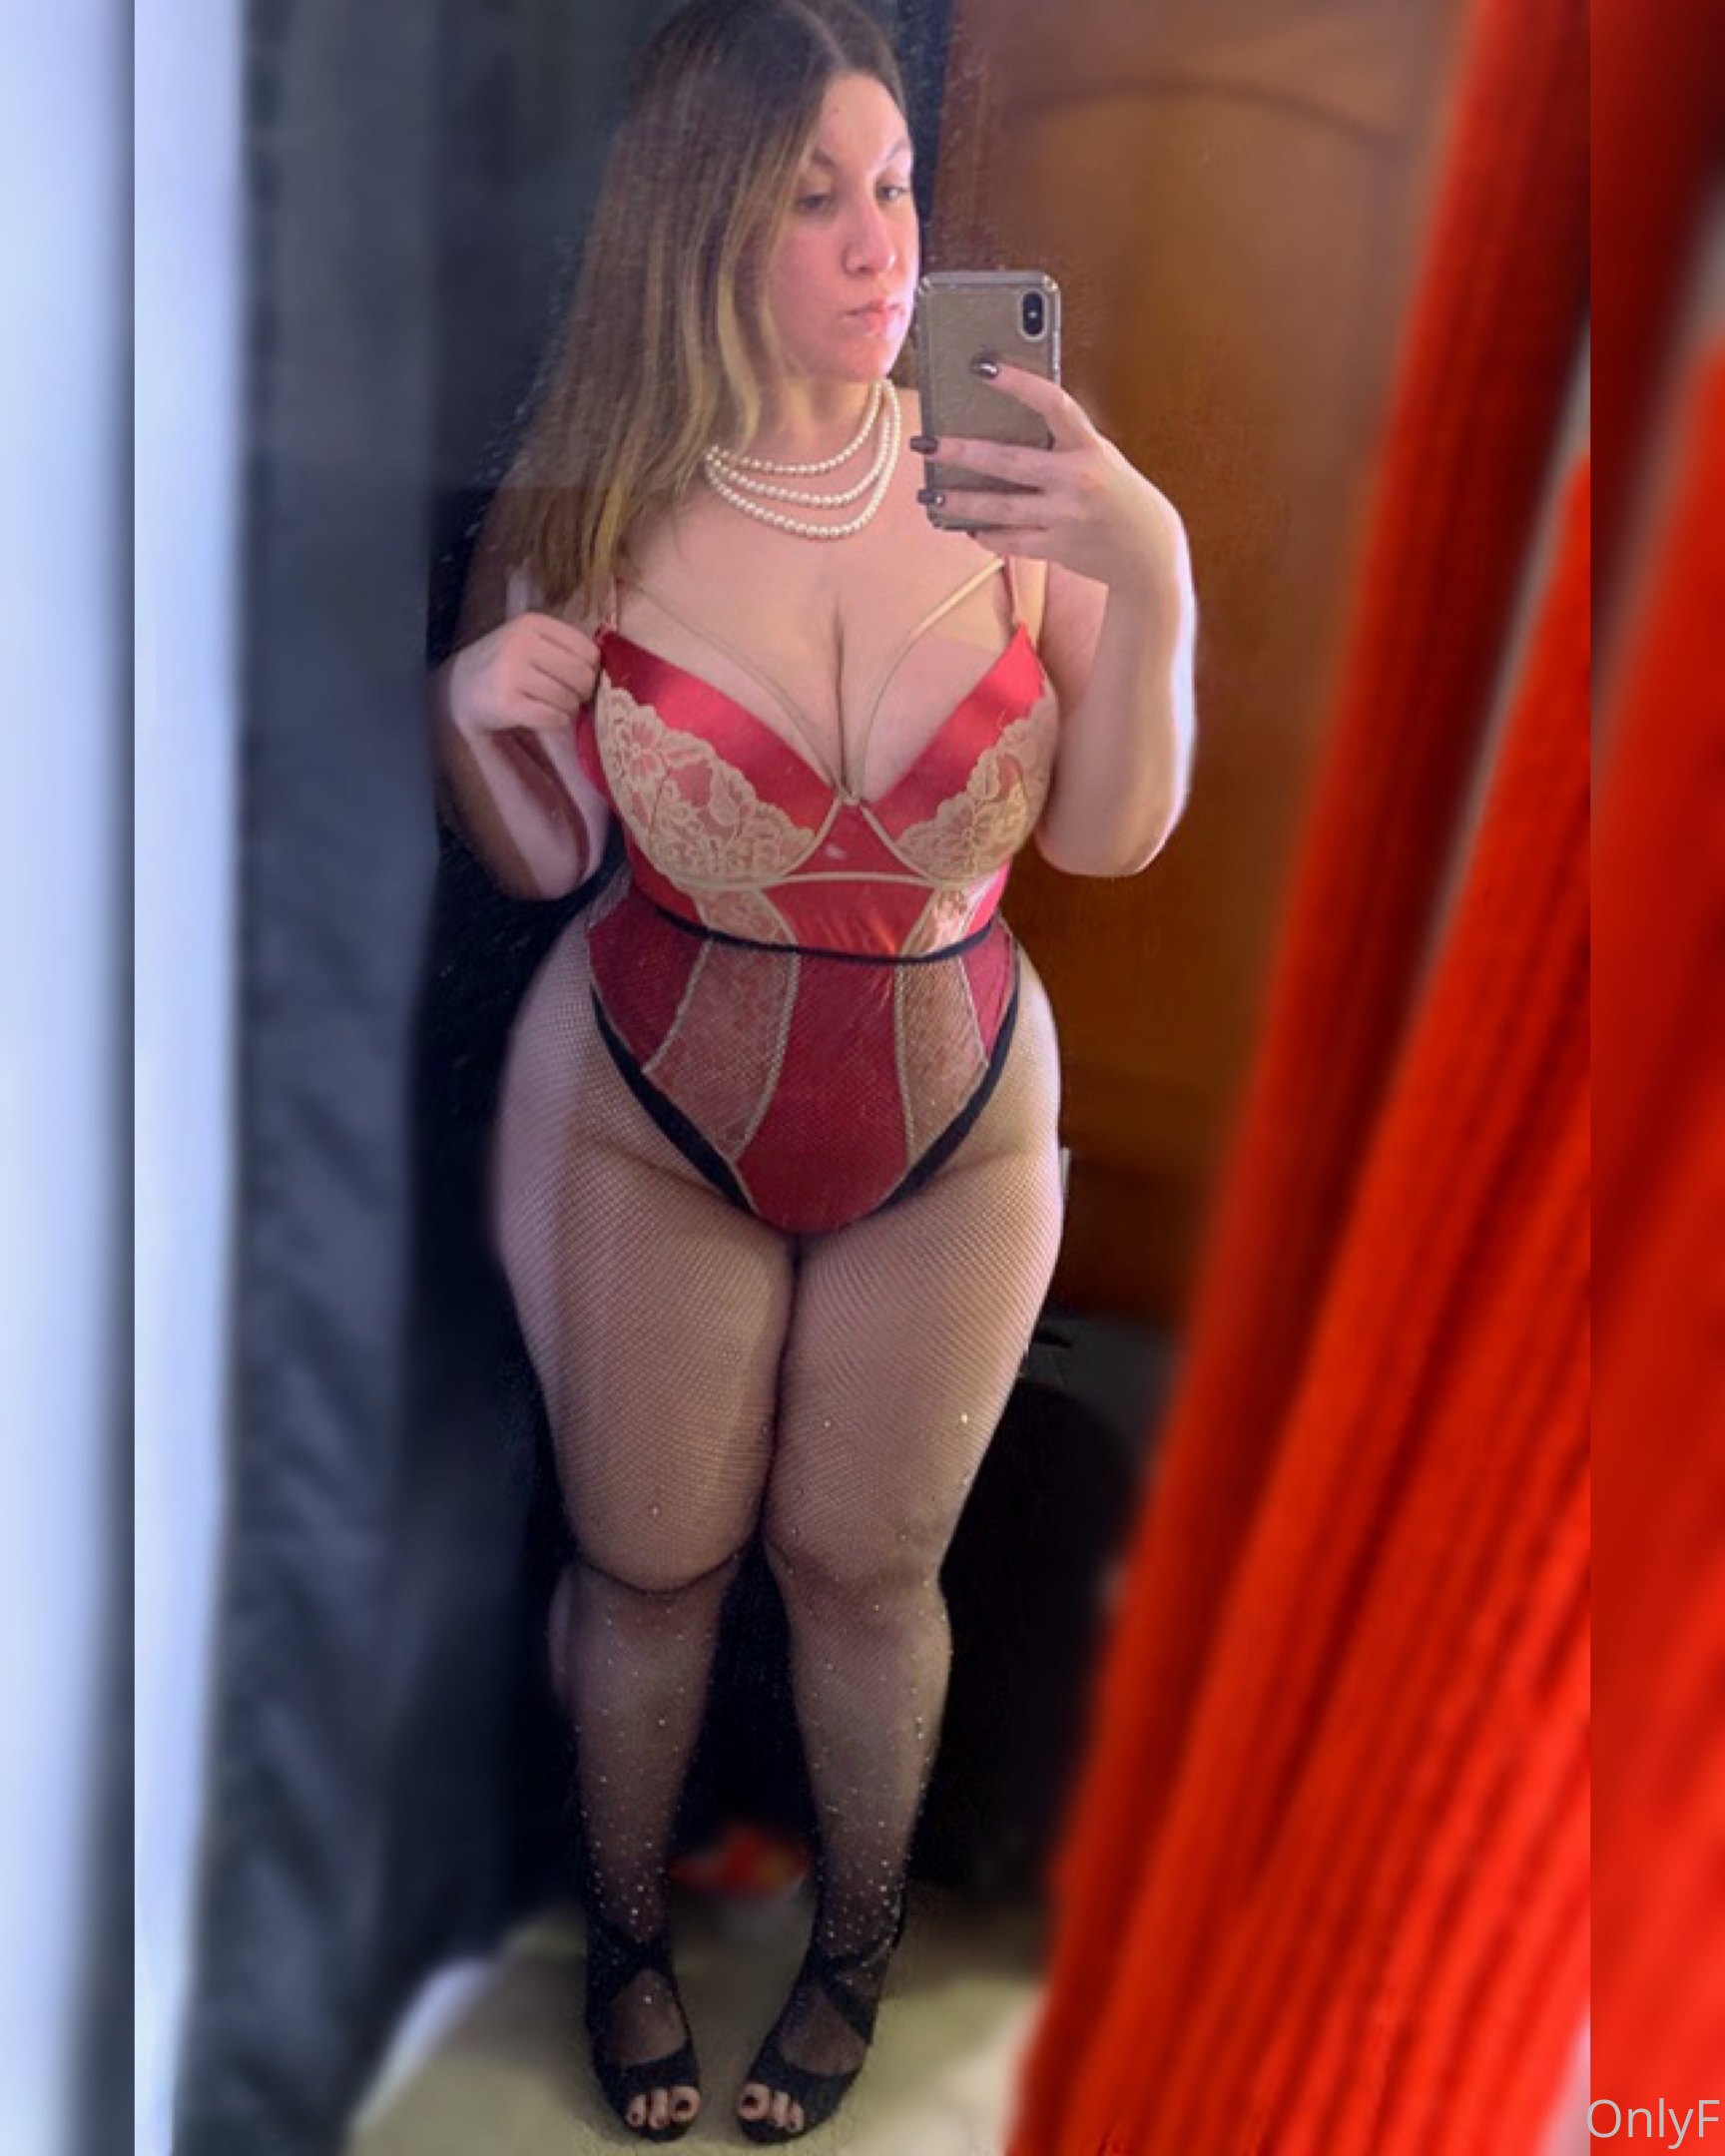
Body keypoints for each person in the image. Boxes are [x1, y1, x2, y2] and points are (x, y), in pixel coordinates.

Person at [426, 0, 1195, 2138]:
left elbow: (1111, 833)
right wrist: (470, 716)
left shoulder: (1015, 483)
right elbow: (545, 860)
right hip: (645, 1104)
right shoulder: (597, 504)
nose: (883, 246)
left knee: (868, 1579)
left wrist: (1150, 572)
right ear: (697, 227)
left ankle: (854, 1953)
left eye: (897, 188)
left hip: (960, 1101)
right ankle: (626, 1945)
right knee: (648, 1572)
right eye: (815, 200)